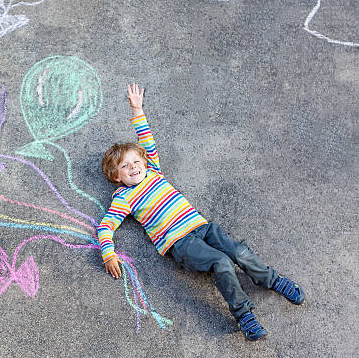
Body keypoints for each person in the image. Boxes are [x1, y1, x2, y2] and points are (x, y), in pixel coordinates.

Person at [97, 83, 305, 341]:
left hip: (202, 227)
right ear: (116, 177)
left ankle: (271, 280)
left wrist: (137, 109)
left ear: (145, 162)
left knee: (239, 251)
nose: (134, 167)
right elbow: (106, 226)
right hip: (180, 242)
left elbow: (146, 139)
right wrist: (108, 255)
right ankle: (244, 315)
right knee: (222, 263)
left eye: (136, 162)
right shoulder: (123, 198)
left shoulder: (154, 172)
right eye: (125, 167)